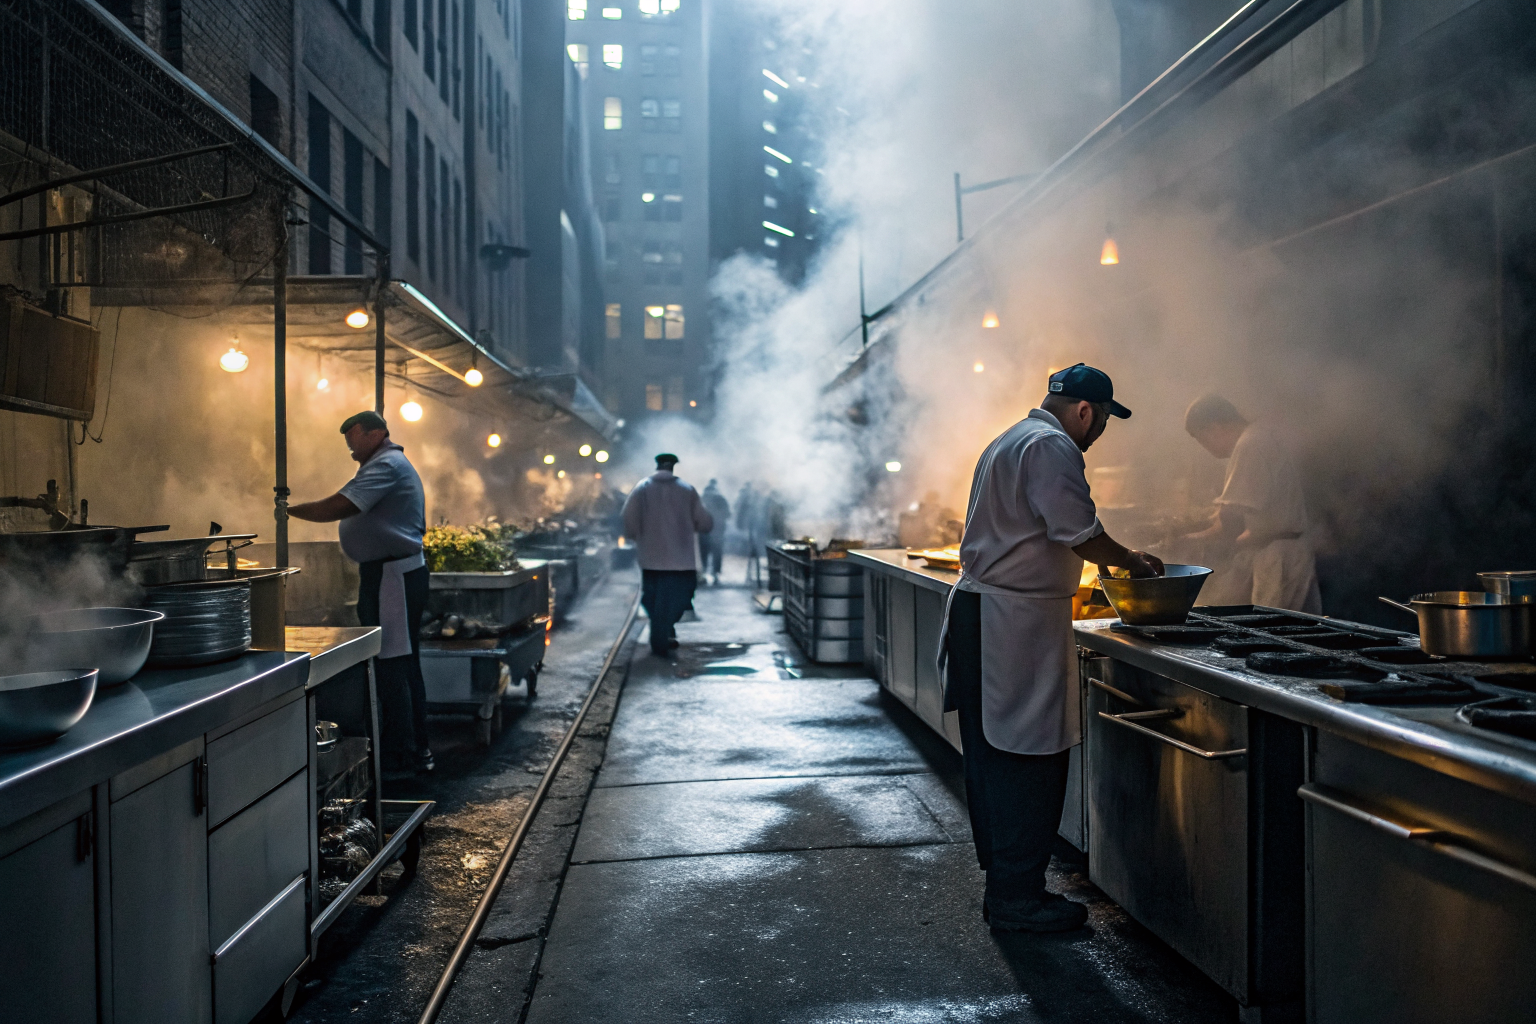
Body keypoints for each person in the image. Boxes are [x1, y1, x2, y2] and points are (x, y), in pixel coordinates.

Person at [943, 363, 1163, 933]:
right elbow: (1078, 531)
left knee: (996, 759)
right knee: (1026, 759)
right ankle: (1018, 900)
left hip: (990, 613)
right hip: (1009, 622)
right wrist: (1132, 561)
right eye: (1104, 421)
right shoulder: (1051, 445)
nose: (1100, 434)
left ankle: (1006, 888)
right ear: (1086, 411)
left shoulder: (1012, 436)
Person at [288, 411, 432, 777]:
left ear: (377, 433)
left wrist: (289, 511)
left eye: (354, 434)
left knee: (394, 667)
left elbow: (342, 505)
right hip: (390, 574)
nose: (349, 442)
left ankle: (404, 757)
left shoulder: (387, 464)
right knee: (400, 664)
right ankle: (412, 749)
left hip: (393, 577)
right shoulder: (384, 462)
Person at [1182, 394, 1322, 614]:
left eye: (1202, 439)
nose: (1205, 447)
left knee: (1271, 633)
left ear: (1215, 428)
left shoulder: (1250, 444)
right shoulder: (1261, 436)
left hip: (1278, 558)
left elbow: (1231, 520)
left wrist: (1190, 539)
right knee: (1297, 629)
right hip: (1290, 551)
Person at [623, 453, 714, 656]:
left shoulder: (642, 488)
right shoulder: (687, 490)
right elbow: (704, 521)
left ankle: (660, 628)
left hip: (650, 558)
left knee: (651, 597)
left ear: (657, 466)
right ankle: (664, 628)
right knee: (683, 596)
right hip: (682, 560)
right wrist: (704, 526)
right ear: (673, 468)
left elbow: (629, 518)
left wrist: (635, 536)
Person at [700, 479, 731, 585]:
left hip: (703, 531)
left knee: (703, 553)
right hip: (718, 531)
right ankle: (715, 574)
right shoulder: (721, 498)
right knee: (717, 553)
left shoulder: (701, 498)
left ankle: (703, 573)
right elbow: (728, 514)